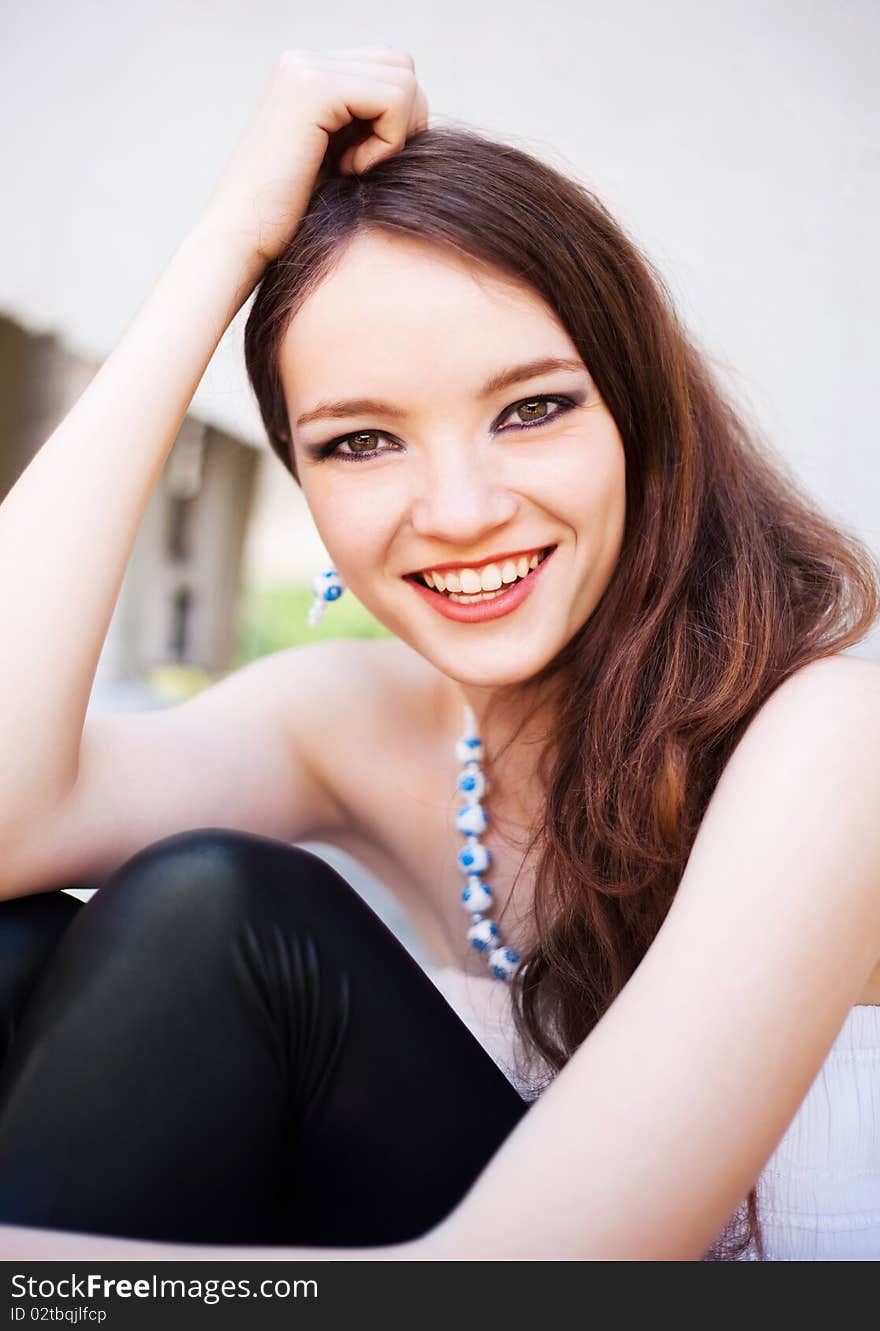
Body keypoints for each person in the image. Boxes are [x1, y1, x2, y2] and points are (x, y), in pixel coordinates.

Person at [0, 43, 879, 1262]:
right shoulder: (354, 720)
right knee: (20, 947)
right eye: (360, 442)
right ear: (301, 479)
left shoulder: (832, 741)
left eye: (531, 408)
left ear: (641, 421)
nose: (459, 510)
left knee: (216, 909)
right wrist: (219, 253)